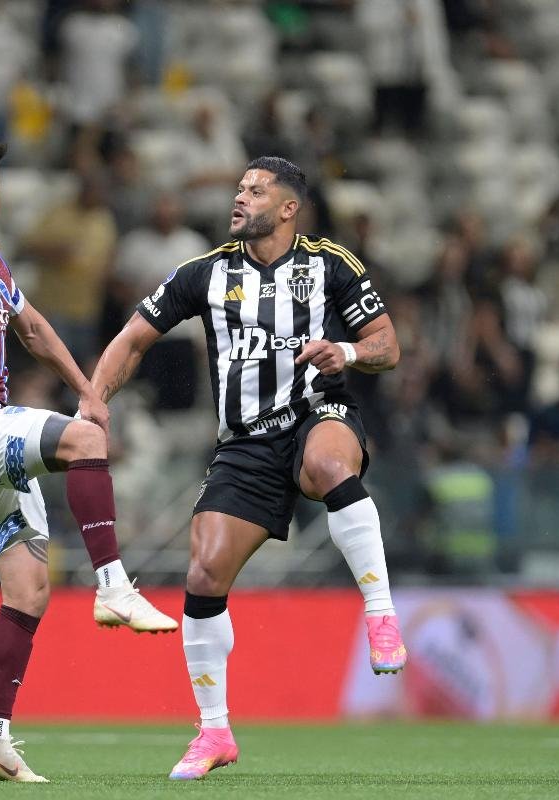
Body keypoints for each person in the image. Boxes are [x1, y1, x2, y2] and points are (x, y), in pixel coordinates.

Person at [91, 156, 408, 781]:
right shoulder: (203, 274)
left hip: (319, 411)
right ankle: (214, 733)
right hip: (244, 443)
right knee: (204, 570)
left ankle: (380, 613)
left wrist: (343, 349)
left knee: (325, 463)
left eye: (254, 191)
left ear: (287, 208)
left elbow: (387, 346)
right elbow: (132, 339)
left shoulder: (330, 264)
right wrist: (95, 401)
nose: (239, 199)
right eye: (238, 189)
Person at [0, 142, 178, 784]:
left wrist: (87, 389)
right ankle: (114, 585)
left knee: (29, 588)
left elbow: (35, 330)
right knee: (84, 443)